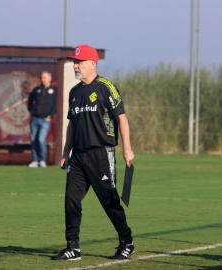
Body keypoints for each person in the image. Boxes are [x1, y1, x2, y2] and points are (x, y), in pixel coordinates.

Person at [51, 45, 135, 261]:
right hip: (78, 156)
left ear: (92, 64)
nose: (75, 65)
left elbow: (122, 118)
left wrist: (127, 149)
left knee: (109, 200)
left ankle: (126, 241)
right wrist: (65, 151)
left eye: (79, 62)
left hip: (101, 154)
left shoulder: (106, 87)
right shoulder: (74, 92)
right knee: (71, 199)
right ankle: (73, 246)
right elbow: (72, 124)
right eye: (74, 62)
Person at [27, 71, 56, 168]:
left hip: (45, 120)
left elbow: (55, 106)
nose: (43, 79)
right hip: (34, 119)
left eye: (45, 77)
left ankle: (42, 160)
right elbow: (30, 101)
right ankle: (35, 161)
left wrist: (50, 115)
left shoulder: (53, 91)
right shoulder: (37, 90)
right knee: (34, 139)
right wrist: (32, 111)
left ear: (49, 78)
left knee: (41, 140)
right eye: (42, 77)